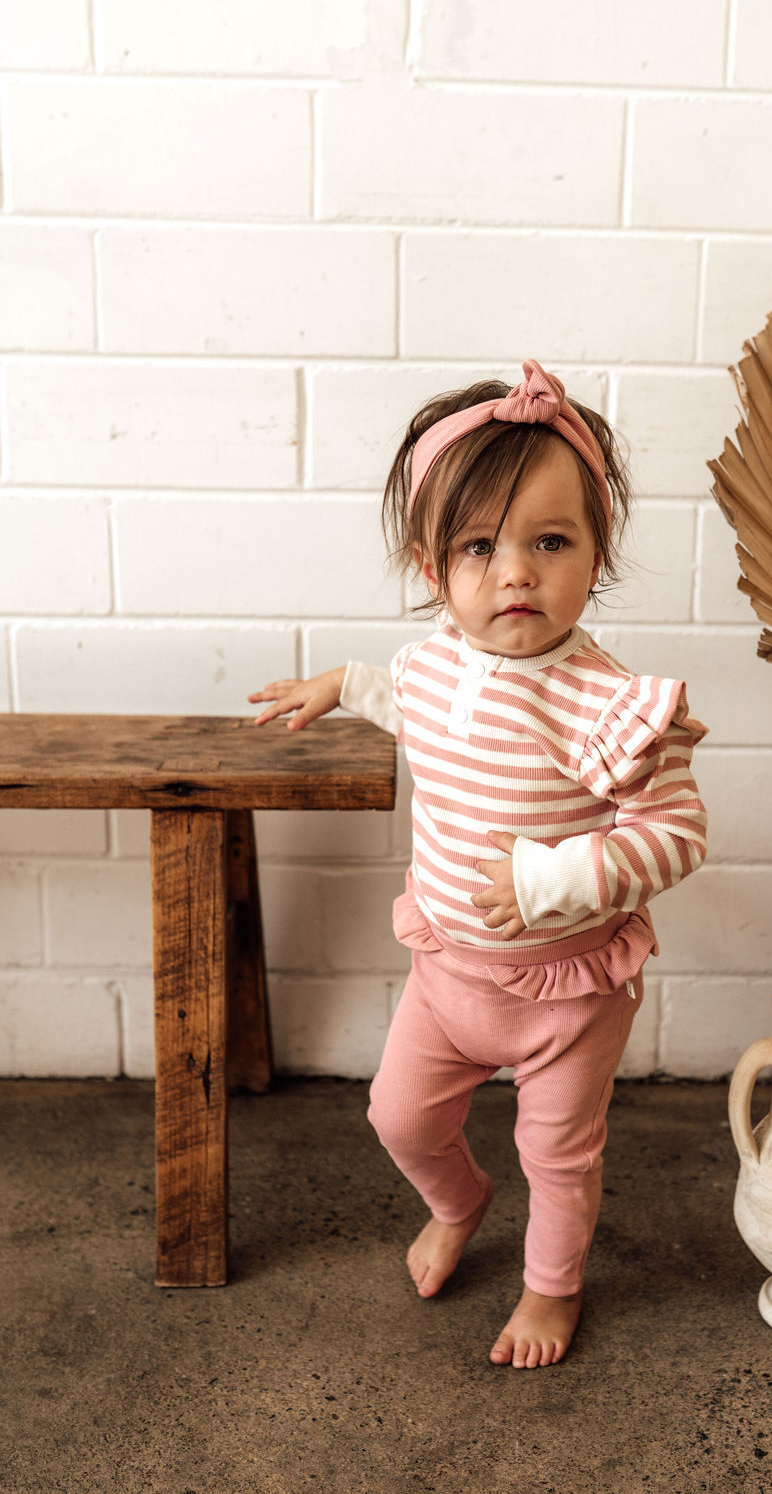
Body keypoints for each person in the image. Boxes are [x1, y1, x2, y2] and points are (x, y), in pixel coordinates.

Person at [249, 360, 708, 1369]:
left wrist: (552, 880)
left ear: (597, 556)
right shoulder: (432, 664)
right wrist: (343, 683)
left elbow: (676, 835)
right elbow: (404, 699)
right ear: (432, 569)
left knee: (558, 1154)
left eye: (551, 542)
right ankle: (459, 1202)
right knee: (397, 1115)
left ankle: (553, 1289)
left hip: (565, 993)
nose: (516, 574)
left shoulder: (608, 705)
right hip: (450, 975)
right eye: (480, 547)